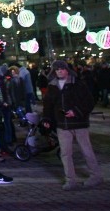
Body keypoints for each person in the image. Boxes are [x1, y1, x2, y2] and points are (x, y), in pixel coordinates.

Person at [42, 60, 102, 190]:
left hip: (79, 123)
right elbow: (48, 105)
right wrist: (46, 118)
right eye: (57, 69)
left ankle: (95, 175)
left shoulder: (78, 84)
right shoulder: (52, 86)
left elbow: (89, 102)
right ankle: (70, 179)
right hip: (62, 124)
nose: (59, 71)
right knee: (65, 153)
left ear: (67, 70)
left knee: (86, 151)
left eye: (62, 69)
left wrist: (76, 111)